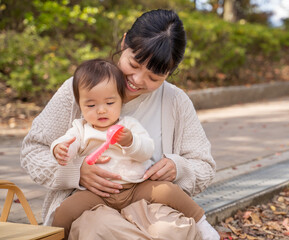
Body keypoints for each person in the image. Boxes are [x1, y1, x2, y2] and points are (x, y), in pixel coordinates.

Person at [20, 9, 218, 239]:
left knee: (171, 230)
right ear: (124, 42)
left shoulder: (175, 101)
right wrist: (76, 171)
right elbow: (33, 150)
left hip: (150, 204)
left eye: (154, 77)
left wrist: (178, 167)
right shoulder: (79, 90)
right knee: (98, 229)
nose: (137, 80)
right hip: (91, 206)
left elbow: (204, 166)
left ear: (169, 73)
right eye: (133, 64)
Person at [50, 58, 219, 239]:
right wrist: (60, 149)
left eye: (109, 103)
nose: (101, 110)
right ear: (80, 104)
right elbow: (68, 142)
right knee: (65, 210)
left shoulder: (128, 125)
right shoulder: (81, 128)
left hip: (136, 187)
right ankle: (55, 236)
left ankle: (201, 223)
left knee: (169, 191)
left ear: (120, 100)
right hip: (97, 194)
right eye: (91, 105)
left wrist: (130, 142)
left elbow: (146, 150)